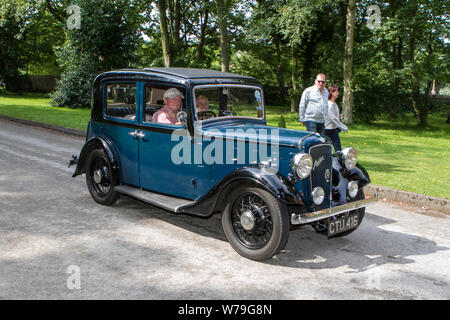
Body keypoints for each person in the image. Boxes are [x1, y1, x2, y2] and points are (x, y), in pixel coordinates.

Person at [324, 85, 348, 152]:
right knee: (326, 149)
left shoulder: (334, 103)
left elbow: (334, 116)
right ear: (332, 93)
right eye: (336, 92)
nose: (338, 93)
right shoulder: (329, 104)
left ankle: (341, 161)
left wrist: (339, 115)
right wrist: (343, 127)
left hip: (333, 129)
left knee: (338, 149)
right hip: (327, 130)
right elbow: (333, 118)